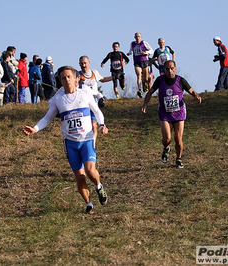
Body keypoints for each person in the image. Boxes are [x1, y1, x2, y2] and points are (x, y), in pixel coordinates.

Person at [23, 66, 109, 214]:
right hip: (70, 142)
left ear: (76, 79)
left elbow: (96, 111)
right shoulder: (57, 99)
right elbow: (48, 117)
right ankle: (89, 204)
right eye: (63, 77)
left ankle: (99, 186)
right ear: (60, 81)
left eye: (69, 76)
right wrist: (35, 128)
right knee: (79, 176)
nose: (67, 79)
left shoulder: (85, 93)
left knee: (90, 170)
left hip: (87, 138)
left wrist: (102, 125)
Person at [142, 60, 201, 168]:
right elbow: (150, 92)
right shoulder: (160, 80)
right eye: (167, 69)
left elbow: (191, 91)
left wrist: (196, 96)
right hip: (165, 113)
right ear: (164, 70)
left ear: (175, 68)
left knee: (178, 138)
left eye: (172, 68)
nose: (170, 71)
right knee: (167, 139)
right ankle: (166, 148)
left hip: (179, 113)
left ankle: (178, 159)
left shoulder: (180, 80)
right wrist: (145, 104)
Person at [79, 55, 112, 142]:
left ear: (89, 63)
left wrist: (114, 77)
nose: (84, 65)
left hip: (94, 102)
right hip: (83, 103)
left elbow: (103, 79)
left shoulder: (94, 73)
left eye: (85, 63)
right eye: (81, 63)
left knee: (94, 125)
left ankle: (93, 144)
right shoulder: (78, 75)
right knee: (84, 126)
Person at [127, 32, 154, 97]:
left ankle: (146, 84)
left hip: (144, 61)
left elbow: (151, 50)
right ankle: (139, 89)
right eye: (136, 36)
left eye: (138, 36)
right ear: (134, 37)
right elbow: (130, 50)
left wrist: (146, 52)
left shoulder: (144, 43)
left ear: (141, 37)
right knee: (139, 75)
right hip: (137, 62)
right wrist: (129, 53)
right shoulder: (132, 43)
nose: (137, 38)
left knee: (146, 78)